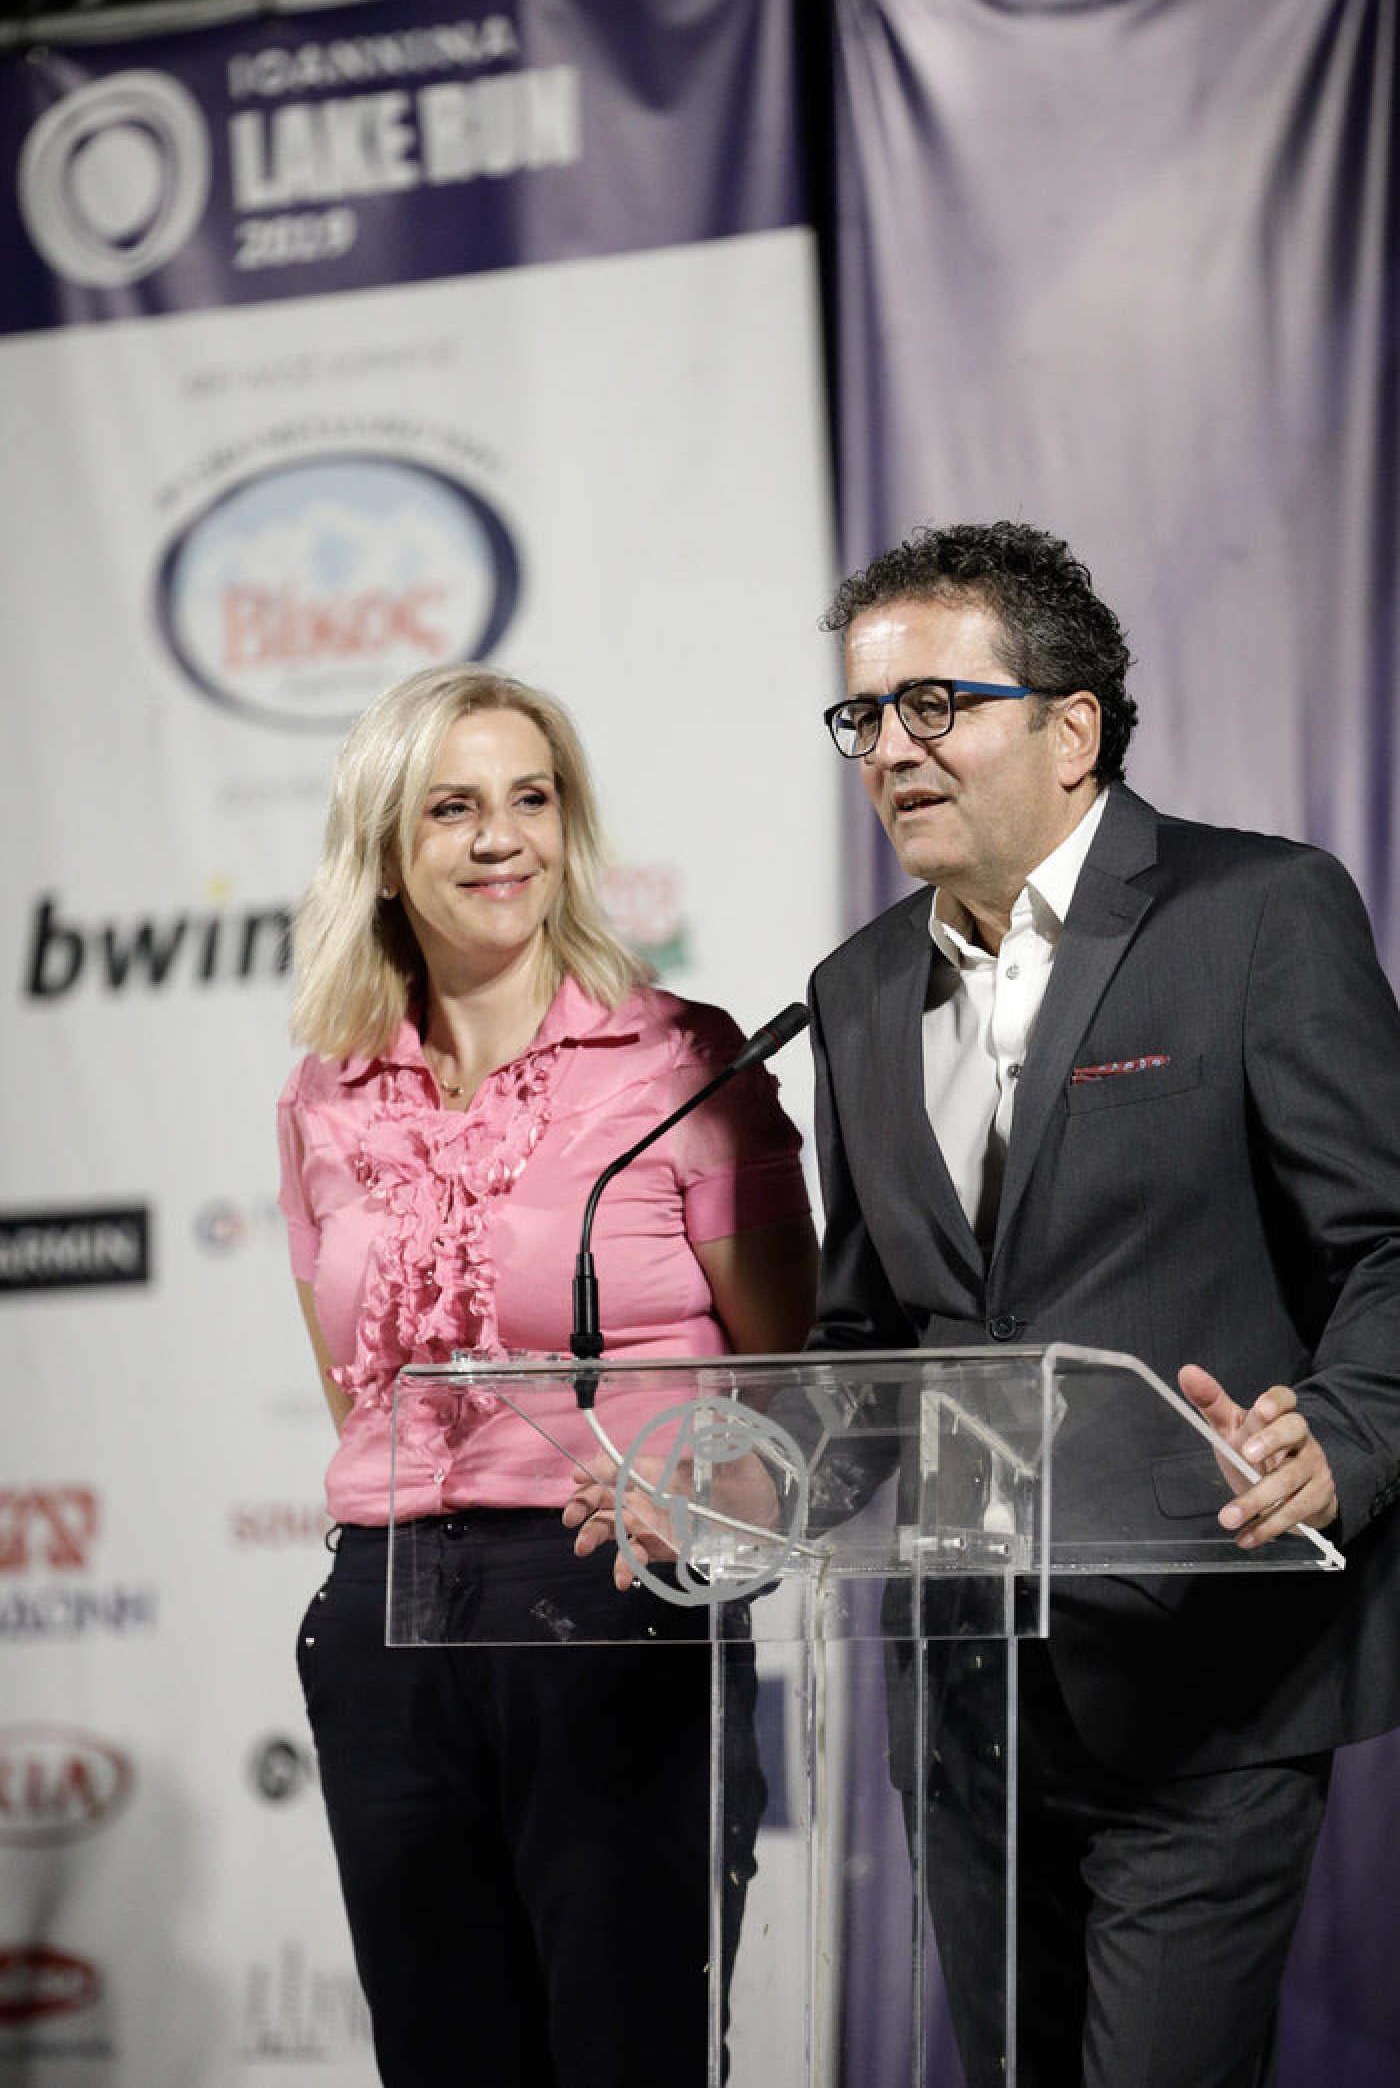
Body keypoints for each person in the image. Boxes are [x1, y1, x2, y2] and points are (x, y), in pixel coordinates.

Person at [801, 519, 1400, 2088]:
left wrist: (1343, 1432)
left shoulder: (1257, 913)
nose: (891, 748)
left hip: (1201, 1673)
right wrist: (748, 1485)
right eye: (866, 714)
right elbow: (867, 1338)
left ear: (1073, 730)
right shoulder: (853, 990)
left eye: (936, 705)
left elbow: (1392, 1242)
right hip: (965, 1695)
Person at [276, 661, 817, 2088]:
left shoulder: (680, 1059)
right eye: (452, 808)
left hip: (613, 1592)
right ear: (383, 850)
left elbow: (792, 1372)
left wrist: (706, 1511)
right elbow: (356, 1389)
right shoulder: (324, 1092)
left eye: (532, 798)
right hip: (386, 1613)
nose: (501, 837)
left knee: (627, 2050)